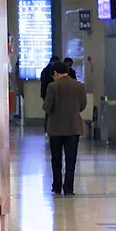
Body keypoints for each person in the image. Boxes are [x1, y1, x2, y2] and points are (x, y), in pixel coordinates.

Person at [43, 62, 87, 196]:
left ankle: (57, 186)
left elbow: (47, 107)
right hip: (73, 127)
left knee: (56, 159)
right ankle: (69, 188)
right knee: (71, 160)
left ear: (56, 73)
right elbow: (83, 105)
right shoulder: (79, 86)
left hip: (56, 128)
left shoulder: (52, 86)